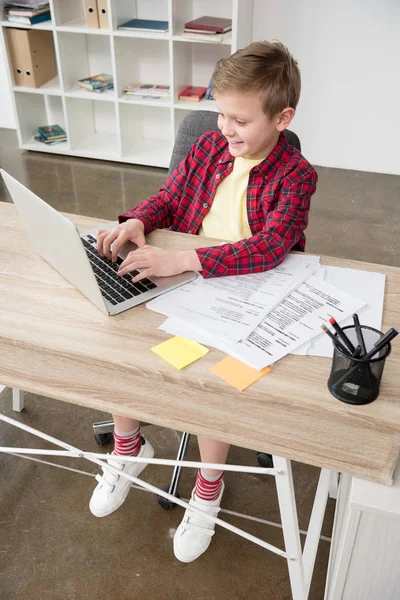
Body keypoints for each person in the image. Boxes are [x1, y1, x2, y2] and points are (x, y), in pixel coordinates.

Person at [89, 40, 318, 563]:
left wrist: (185, 261)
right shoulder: (210, 149)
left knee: (216, 381)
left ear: (282, 118)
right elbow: (170, 196)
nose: (225, 128)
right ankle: (130, 448)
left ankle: (208, 487)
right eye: (219, 113)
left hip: (247, 288)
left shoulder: (296, 176)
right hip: (187, 279)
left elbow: (272, 245)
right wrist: (140, 219)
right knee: (124, 348)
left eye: (239, 119)